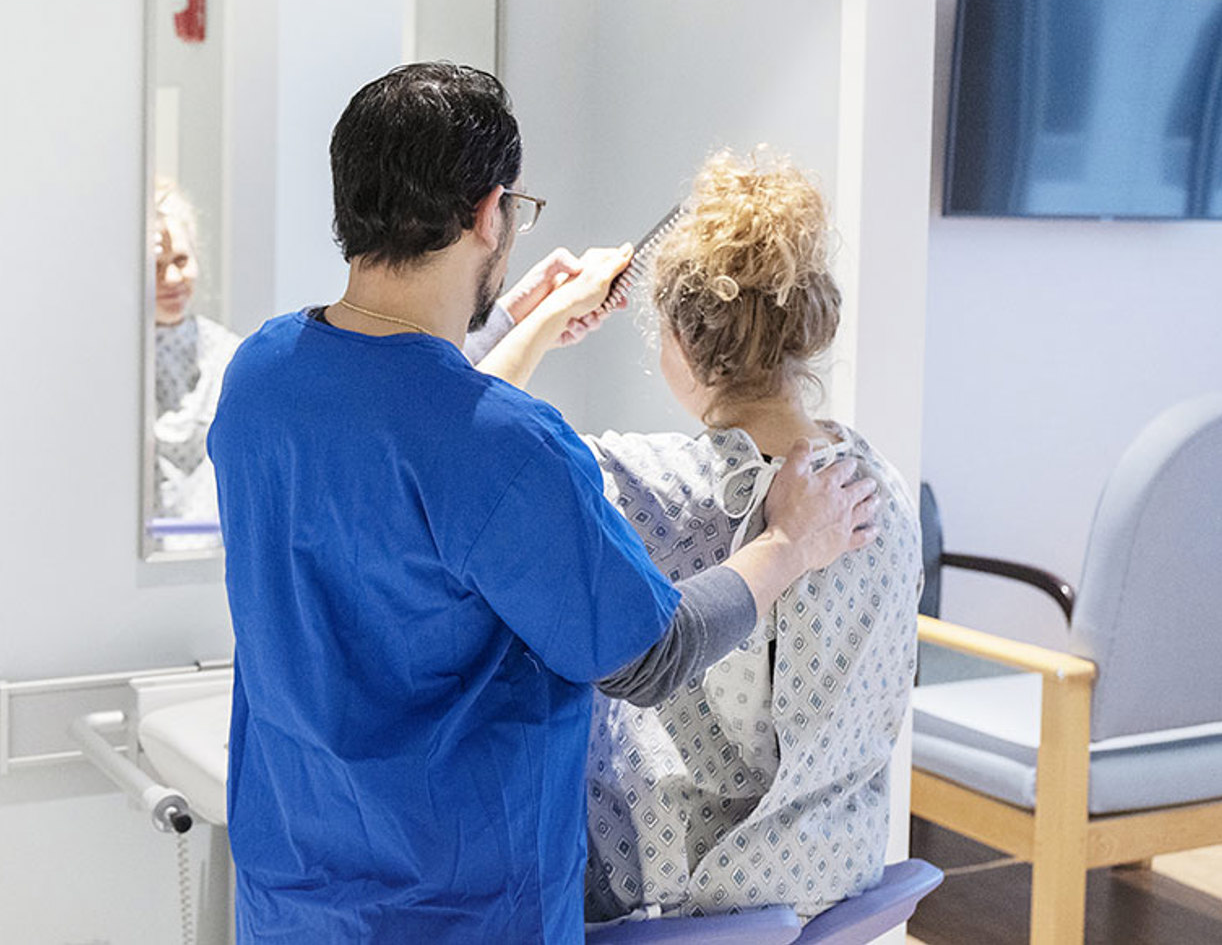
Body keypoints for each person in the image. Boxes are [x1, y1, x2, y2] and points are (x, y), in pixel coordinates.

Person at [206, 63, 880, 942]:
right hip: (465, 916)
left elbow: (416, 436)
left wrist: (525, 325)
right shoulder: (510, 447)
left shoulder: (260, 377)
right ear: (491, 213)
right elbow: (651, 652)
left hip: (291, 903)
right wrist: (791, 539)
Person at [475, 148, 922, 923]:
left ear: (682, 339)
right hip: (832, 880)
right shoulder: (878, 488)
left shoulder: (639, 484)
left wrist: (538, 320)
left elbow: (459, 429)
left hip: (679, 892)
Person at [149, 179, 239, 549]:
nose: (171, 278)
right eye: (154, 265)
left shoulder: (229, 355)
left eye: (180, 261)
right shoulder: (115, 367)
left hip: (208, 567)